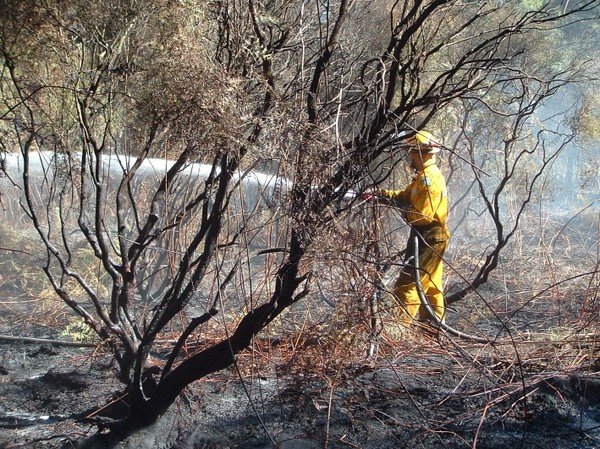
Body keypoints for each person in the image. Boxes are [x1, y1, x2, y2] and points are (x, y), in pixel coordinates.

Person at [368, 130, 450, 335]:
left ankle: (397, 331)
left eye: (410, 152)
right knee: (431, 286)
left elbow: (423, 216)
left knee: (407, 284)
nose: (409, 157)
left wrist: (403, 210)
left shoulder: (428, 180)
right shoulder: (423, 177)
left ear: (419, 153)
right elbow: (404, 197)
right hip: (429, 235)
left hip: (428, 235)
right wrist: (378, 194)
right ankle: (432, 329)